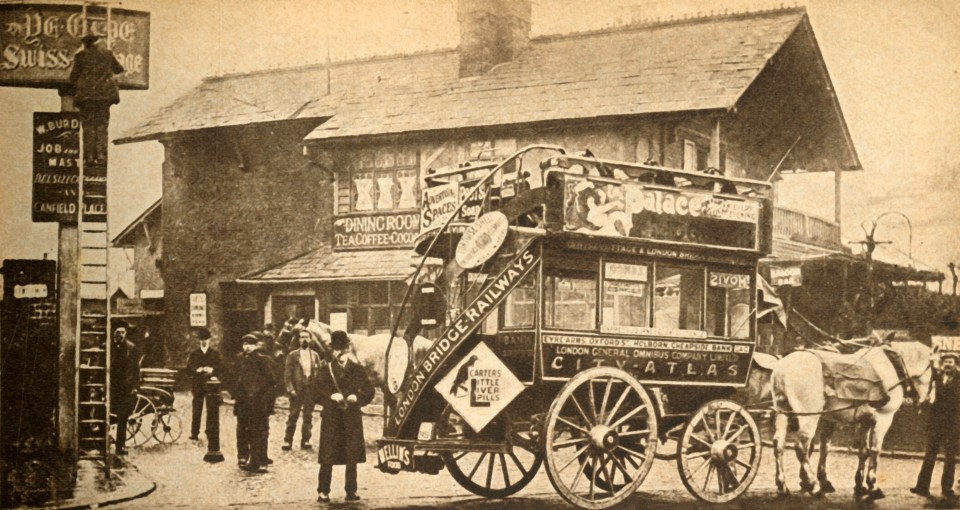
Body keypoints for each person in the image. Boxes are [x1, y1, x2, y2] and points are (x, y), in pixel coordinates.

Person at [316, 331, 374, 503]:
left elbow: (369, 391)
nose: (339, 353)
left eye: (342, 349)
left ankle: (351, 490)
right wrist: (330, 397)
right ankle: (323, 491)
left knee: (352, 455)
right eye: (336, 349)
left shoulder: (357, 369)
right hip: (332, 418)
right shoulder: (325, 370)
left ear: (348, 349)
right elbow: (315, 392)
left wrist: (358, 398)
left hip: (351, 417)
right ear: (332, 351)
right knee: (327, 455)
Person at [67, 34, 124, 166]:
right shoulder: (107, 54)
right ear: (96, 42)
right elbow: (119, 69)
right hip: (104, 97)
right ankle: (101, 156)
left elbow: (73, 77)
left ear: (85, 44)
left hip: (86, 98)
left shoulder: (80, 56)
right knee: (102, 126)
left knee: (88, 127)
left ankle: (89, 158)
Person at [912, 351, 960, 499]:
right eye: (945, 362)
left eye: (950, 362)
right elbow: (930, 397)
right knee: (929, 455)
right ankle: (922, 486)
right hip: (935, 423)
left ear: (956, 364)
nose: (947, 364)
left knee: (950, 457)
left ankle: (947, 488)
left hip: (952, 425)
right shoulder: (936, 378)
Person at [233, 333, 277, 473]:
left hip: (259, 402)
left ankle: (261, 460)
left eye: (250, 344)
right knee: (243, 429)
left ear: (255, 345)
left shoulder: (263, 360)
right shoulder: (239, 359)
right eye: (245, 344)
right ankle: (246, 457)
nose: (247, 347)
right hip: (243, 402)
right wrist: (235, 394)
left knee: (260, 431)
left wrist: (266, 400)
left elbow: (271, 382)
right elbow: (232, 377)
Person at [283, 329, 323, 451]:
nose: (304, 339)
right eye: (301, 337)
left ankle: (305, 440)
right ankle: (287, 440)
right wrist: (290, 390)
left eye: (306, 337)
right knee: (293, 416)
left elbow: (319, 373)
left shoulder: (315, 355)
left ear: (310, 339)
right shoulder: (292, 355)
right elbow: (287, 375)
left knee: (308, 416)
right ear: (298, 340)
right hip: (297, 390)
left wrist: (317, 390)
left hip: (310, 390)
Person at [185, 327, 223, 441]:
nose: (204, 341)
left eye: (206, 339)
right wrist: (197, 370)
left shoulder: (214, 353)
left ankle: (210, 431)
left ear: (209, 340)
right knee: (197, 409)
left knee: (211, 409)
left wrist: (212, 369)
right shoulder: (195, 353)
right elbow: (188, 368)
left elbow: (221, 367)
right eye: (202, 339)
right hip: (198, 384)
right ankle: (194, 433)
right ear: (199, 340)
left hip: (211, 385)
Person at [110, 320, 140, 455]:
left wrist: (135, 386)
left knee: (123, 417)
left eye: (123, 332)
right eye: (118, 332)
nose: (120, 335)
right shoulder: (107, 347)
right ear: (113, 333)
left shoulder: (131, 348)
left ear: (126, 333)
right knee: (107, 415)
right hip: (111, 386)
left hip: (125, 386)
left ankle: (120, 445)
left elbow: (135, 369)